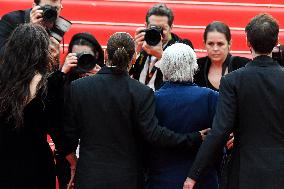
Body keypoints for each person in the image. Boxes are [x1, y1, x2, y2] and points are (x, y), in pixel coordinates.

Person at [63, 32, 208, 189]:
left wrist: (73, 164)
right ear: (133, 58)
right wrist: (193, 137)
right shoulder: (141, 92)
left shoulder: (78, 88)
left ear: (106, 55)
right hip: (128, 178)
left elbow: (66, 135)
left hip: (89, 176)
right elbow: (155, 135)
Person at [184, 13, 284, 189]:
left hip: (244, 171)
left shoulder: (232, 80)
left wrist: (193, 174)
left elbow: (220, 130)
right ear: (276, 42)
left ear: (248, 43)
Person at [0, 24, 74, 189]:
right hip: (36, 164)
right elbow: (58, 131)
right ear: (41, 51)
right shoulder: (51, 84)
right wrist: (73, 161)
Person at [146, 43, 218, 189]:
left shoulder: (152, 99)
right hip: (202, 181)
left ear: (164, 67)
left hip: (161, 180)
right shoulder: (211, 97)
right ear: (194, 67)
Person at [56, 32, 104, 189]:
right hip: (67, 153)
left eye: (87, 56)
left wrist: (103, 80)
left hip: (98, 155)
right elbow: (52, 111)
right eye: (77, 56)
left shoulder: (105, 77)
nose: (82, 60)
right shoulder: (62, 79)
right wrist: (62, 73)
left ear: (96, 55)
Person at [129, 3, 194, 91]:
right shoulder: (141, 44)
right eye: (153, 27)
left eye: (162, 29)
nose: (158, 33)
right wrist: (134, 53)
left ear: (171, 27)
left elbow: (185, 77)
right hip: (139, 100)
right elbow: (126, 74)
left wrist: (161, 55)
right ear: (146, 26)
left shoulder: (182, 46)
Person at [194, 21, 250, 92]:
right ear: (204, 44)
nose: (215, 49)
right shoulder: (196, 68)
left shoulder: (243, 66)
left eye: (220, 44)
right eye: (210, 44)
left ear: (229, 44)